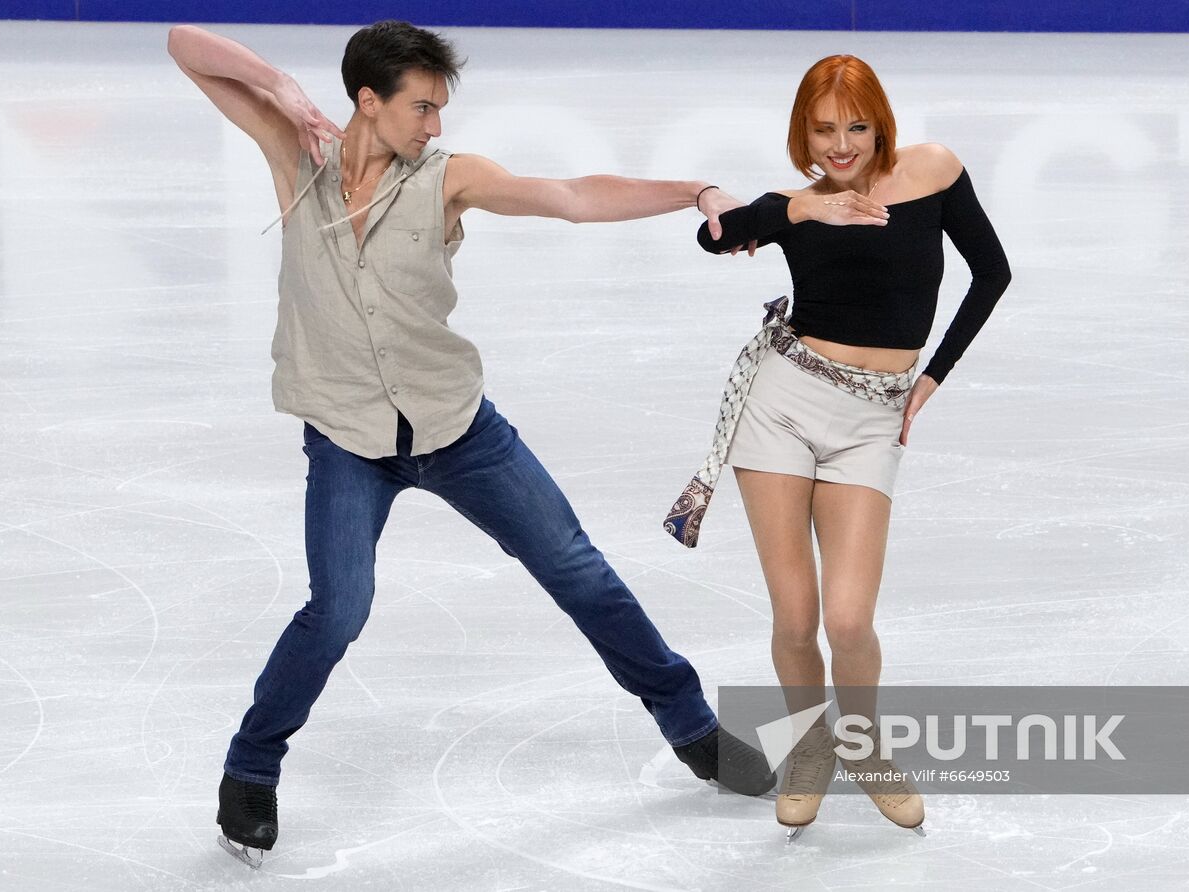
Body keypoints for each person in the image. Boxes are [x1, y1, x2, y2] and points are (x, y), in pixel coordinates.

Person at [166, 20, 775, 868]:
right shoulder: (296, 159)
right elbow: (183, 41)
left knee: (578, 572)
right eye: (422, 107)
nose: (435, 125)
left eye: (441, 108)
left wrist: (695, 191)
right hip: (347, 439)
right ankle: (249, 770)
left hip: (457, 430)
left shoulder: (450, 180)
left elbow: (571, 196)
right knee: (338, 609)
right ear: (367, 102)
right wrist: (281, 88)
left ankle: (692, 729)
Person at [676, 54, 1011, 839]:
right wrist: (790, 213)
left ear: (880, 122)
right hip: (782, 410)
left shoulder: (932, 171)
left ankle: (862, 745)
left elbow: (991, 273)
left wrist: (931, 379)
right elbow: (710, 238)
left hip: (872, 423)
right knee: (796, 617)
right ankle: (809, 747)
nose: (841, 144)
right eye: (823, 129)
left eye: (855, 126)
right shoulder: (798, 204)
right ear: (804, 131)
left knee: (850, 620)